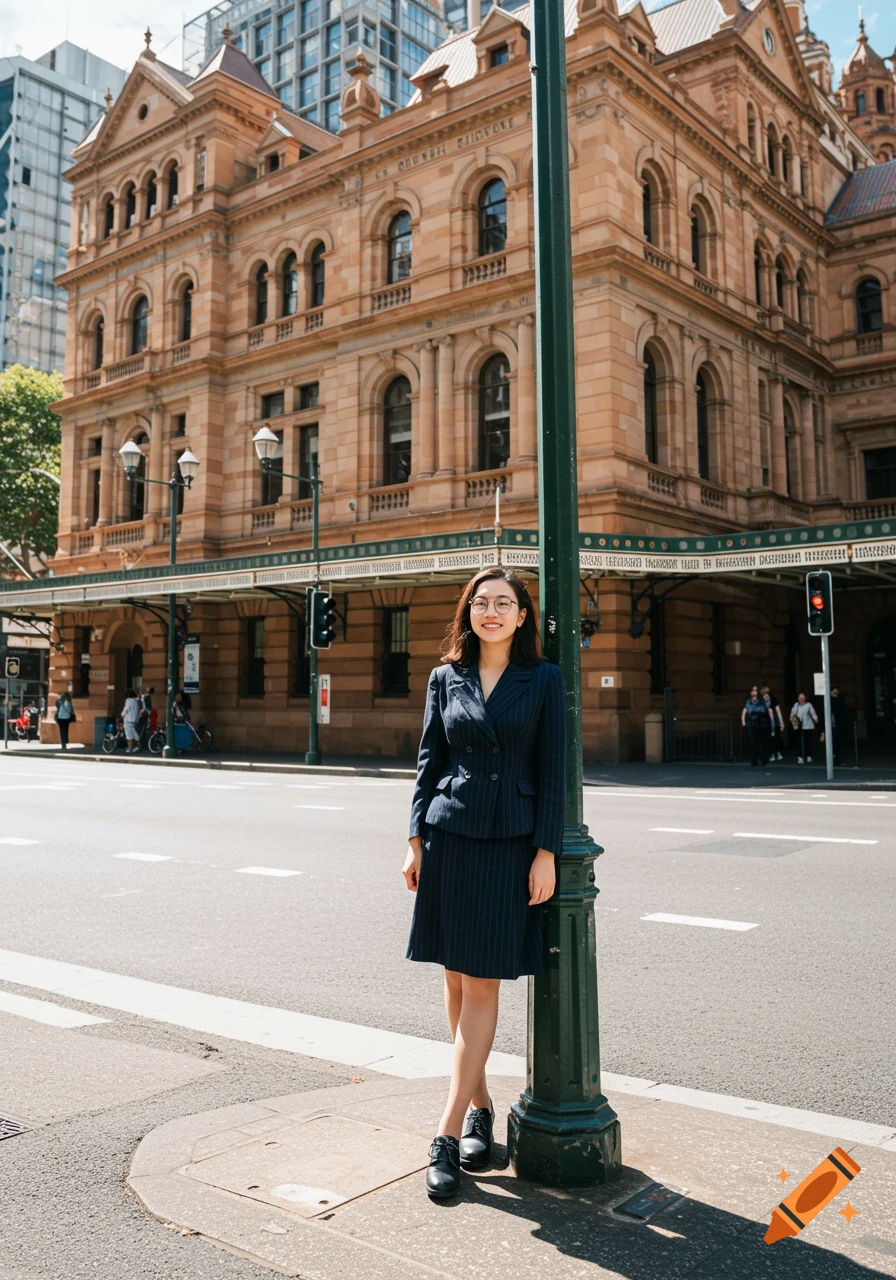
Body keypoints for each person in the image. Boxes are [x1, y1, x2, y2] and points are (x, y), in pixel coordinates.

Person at [402, 567, 565, 1200]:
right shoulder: (446, 677)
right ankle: (481, 1105)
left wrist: (546, 852)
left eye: (504, 603)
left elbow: (552, 772)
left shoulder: (543, 680)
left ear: (523, 616)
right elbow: (427, 762)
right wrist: (414, 838)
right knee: (453, 977)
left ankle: (444, 1133)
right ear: (468, 613)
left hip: (510, 843)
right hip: (450, 839)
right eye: (481, 603)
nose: (491, 611)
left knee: (481, 984)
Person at [742, 685, 774, 766]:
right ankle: (760, 760)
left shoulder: (761, 701)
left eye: (755, 690)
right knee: (754, 742)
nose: (754, 692)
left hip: (760, 724)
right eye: (752, 690)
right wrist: (743, 721)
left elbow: (766, 707)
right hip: (751, 724)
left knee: (757, 742)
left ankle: (757, 760)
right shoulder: (748, 701)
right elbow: (747, 710)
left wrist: (766, 700)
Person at [822, 686, 848, 767]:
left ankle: (836, 759)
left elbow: (844, 709)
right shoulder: (828, 699)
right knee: (832, 742)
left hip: (839, 723)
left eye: (837, 690)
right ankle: (832, 759)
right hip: (832, 724)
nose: (836, 691)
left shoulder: (841, 699)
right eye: (834, 690)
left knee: (838, 742)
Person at [790, 692, 818, 763]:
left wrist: (816, 719)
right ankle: (800, 757)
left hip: (808, 726)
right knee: (799, 742)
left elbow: (813, 713)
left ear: (805, 698)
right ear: (798, 698)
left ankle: (809, 755)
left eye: (803, 697)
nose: (801, 699)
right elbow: (792, 713)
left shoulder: (808, 705)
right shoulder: (796, 705)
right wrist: (792, 720)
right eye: (800, 697)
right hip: (799, 726)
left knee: (808, 741)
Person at [760, 685, 785, 761]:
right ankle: (772, 754)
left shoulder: (774, 701)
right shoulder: (762, 703)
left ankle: (777, 752)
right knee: (769, 740)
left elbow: (779, 712)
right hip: (767, 724)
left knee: (776, 739)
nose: (766, 695)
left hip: (775, 723)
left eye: (767, 693)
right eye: (764, 694)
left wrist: (782, 723)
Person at [122, 687, 141, 754]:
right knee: (134, 733)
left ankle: (130, 748)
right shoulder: (136, 700)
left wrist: (122, 715)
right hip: (135, 719)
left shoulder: (128, 701)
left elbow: (126, 709)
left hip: (128, 719)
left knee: (129, 735)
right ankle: (137, 746)